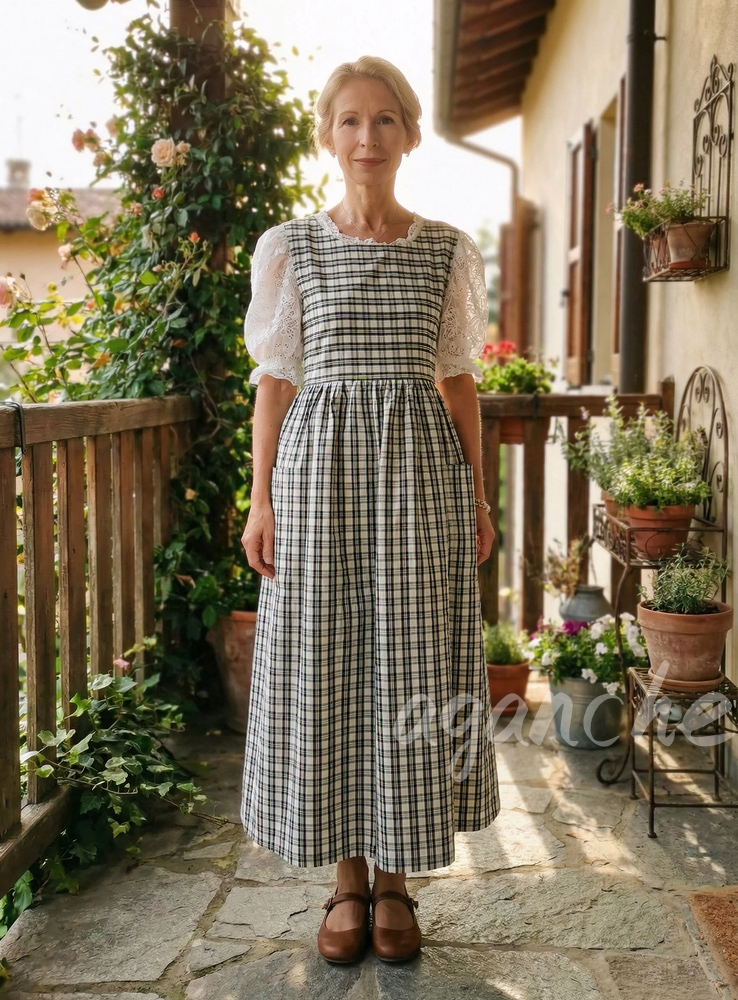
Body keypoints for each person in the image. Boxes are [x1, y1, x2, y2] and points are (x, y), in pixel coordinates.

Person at [239, 55, 501, 966]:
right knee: (328, 665)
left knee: (412, 661)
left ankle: (398, 881)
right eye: (350, 120)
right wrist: (260, 498)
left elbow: (459, 381)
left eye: (385, 120)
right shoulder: (291, 247)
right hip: (317, 482)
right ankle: (346, 879)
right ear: (328, 134)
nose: (367, 138)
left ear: (410, 133)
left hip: (420, 478)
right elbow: (275, 384)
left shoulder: (444, 248)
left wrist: (476, 492)